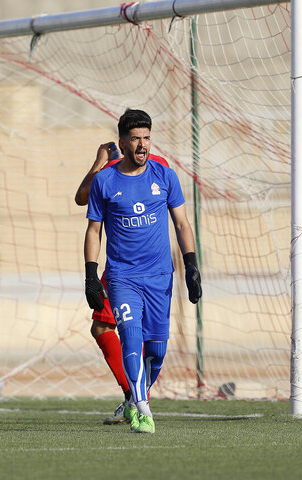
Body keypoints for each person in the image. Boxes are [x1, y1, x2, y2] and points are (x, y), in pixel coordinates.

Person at [83, 109, 202, 434]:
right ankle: (143, 408)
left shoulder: (164, 174)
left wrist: (191, 264)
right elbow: (93, 228)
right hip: (123, 277)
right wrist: (91, 274)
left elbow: (181, 223)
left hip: (161, 277)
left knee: (157, 350)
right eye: (135, 138)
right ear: (123, 142)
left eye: (146, 137)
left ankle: (136, 398)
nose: (142, 144)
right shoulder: (106, 179)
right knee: (129, 336)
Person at [75, 140, 170, 425]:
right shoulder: (158, 166)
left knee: (120, 330)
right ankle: (135, 397)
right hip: (141, 266)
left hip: (127, 267)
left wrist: (100, 161)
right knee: (112, 328)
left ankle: (134, 396)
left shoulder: (114, 171)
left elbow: (81, 196)